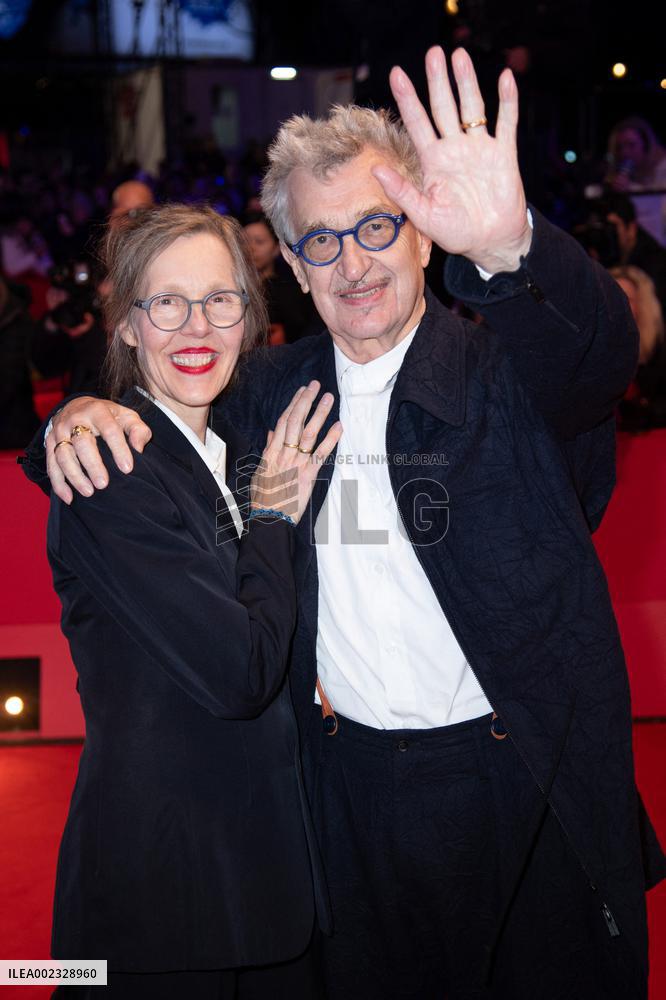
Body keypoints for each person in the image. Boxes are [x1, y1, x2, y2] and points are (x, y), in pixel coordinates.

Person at [26, 48, 665, 1000]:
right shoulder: (268, 396)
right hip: (345, 797)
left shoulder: (514, 375)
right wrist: (68, 421)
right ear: (289, 263)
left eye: (378, 225)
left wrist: (508, 246)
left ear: (421, 236)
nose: (354, 261)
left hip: (519, 787)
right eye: (321, 240)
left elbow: (600, 355)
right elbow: (166, 404)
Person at [26, 203, 341, 998]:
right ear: (127, 324)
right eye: (166, 301)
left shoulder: (230, 447)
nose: (195, 325)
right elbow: (239, 671)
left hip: (261, 880)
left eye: (219, 299)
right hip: (167, 904)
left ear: (250, 315)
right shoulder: (114, 465)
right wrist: (272, 515)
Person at [242, 210, 320, 344]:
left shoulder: (291, 291)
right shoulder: (234, 289)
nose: (251, 248)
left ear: (276, 249)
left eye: (259, 242)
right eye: (244, 241)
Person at [610, 264, 666, 430]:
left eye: (627, 298)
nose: (617, 305)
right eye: (612, 296)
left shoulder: (659, 350)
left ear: (642, 305)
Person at [605, 117, 666, 193]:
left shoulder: (663, 167)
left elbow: (659, 201)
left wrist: (630, 188)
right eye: (619, 147)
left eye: (631, 145)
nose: (624, 153)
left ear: (646, 145)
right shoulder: (623, 172)